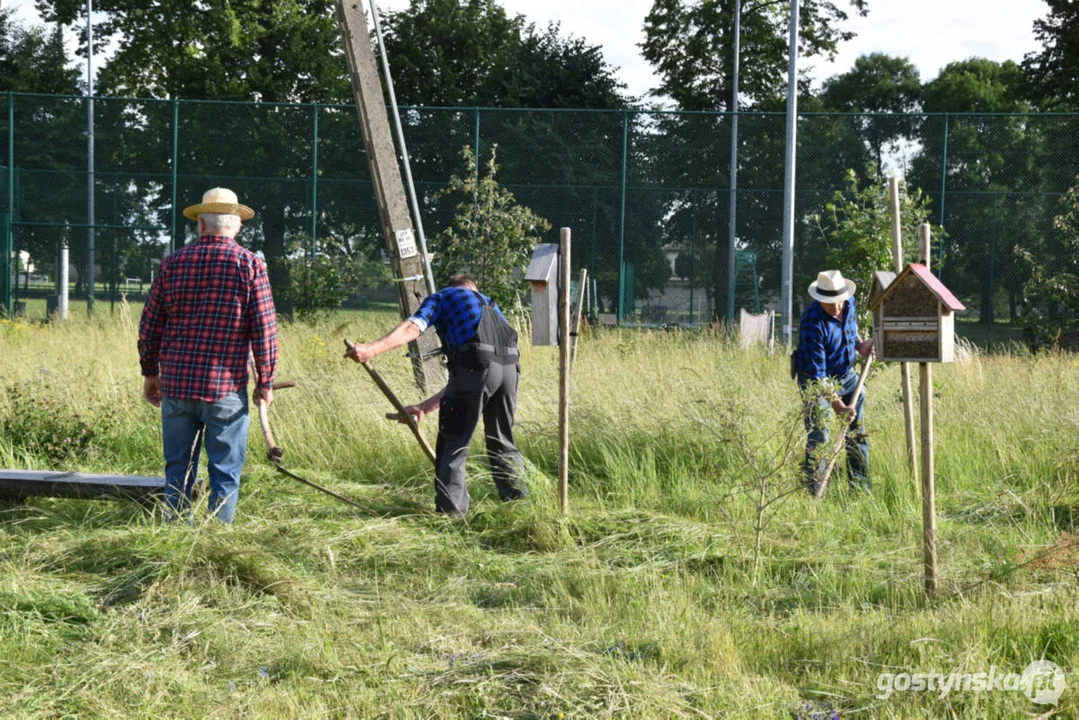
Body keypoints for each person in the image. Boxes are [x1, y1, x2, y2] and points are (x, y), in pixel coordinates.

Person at [138, 188, 278, 523]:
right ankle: (217, 538)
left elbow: (150, 325)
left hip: (177, 386)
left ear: (200, 224)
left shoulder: (172, 264)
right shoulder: (250, 265)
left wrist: (150, 373)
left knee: (178, 469)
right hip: (225, 390)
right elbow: (264, 330)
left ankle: (176, 531)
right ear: (237, 227)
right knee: (225, 471)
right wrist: (266, 380)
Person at [346, 274, 528, 517]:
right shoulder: (491, 304)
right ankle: (520, 507)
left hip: (477, 367)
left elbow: (413, 327)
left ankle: (451, 517)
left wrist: (371, 349)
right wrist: (424, 408)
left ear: (453, 287)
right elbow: (476, 373)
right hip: (510, 370)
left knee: (453, 442)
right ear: (474, 288)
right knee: (502, 440)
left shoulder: (444, 296)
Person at [793, 269, 875, 495]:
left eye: (839, 301)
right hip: (818, 384)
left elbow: (851, 329)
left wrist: (860, 345)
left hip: (848, 377)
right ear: (820, 299)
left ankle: (860, 490)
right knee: (821, 436)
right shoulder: (812, 323)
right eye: (830, 304)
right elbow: (818, 377)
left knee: (857, 435)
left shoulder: (849, 302)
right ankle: (814, 492)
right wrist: (839, 406)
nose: (837, 307)